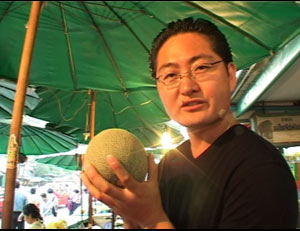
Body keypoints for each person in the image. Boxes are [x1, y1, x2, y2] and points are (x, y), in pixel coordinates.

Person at [81, 17, 299, 229]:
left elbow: (155, 220)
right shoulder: (169, 164)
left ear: (230, 75)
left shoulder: (260, 170)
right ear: (159, 87)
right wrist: (131, 215)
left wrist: (152, 219)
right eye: (170, 75)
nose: (187, 87)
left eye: (201, 68)